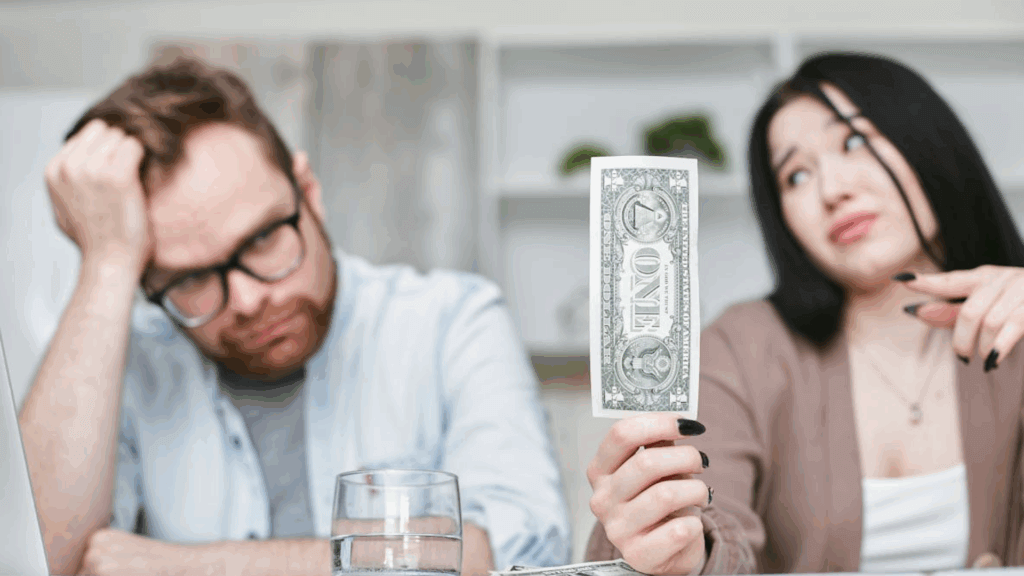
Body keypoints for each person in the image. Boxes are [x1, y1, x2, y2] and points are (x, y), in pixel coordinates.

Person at [17, 57, 571, 576]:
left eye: (261, 239)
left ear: (308, 193)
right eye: (189, 279)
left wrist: (184, 567)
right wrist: (107, 263)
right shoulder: (128, 362)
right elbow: (32, 558)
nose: (248, 301)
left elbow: (520, 551)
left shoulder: (453, 322)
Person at [584, 51, 1024, 574]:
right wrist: (683, 549)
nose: (832, 190)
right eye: (795, 176)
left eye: (855, 141)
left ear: (928, 140)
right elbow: (711, 519)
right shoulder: (741, 347)